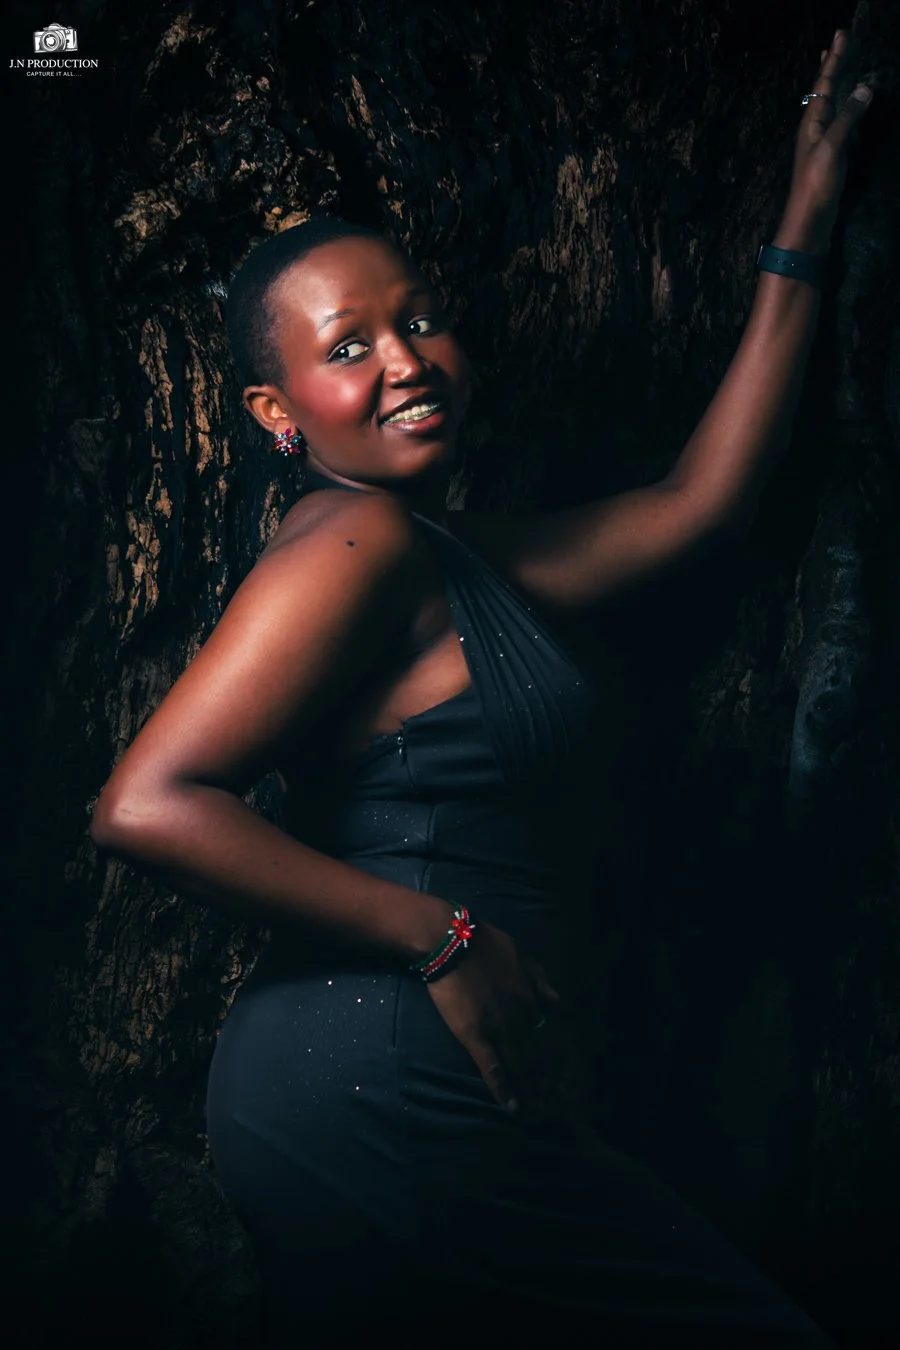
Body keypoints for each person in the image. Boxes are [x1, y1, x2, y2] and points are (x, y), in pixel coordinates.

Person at [90, 31, 873, 1348]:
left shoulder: (443, 555)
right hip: (383, 1074)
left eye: (419, 316)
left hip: (416, 1076)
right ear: (278, 413)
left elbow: (697, 503)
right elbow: (147, 803)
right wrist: (441, 937)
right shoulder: (353, 541)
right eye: (352, 347)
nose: (408, 359)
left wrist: (807, 212)